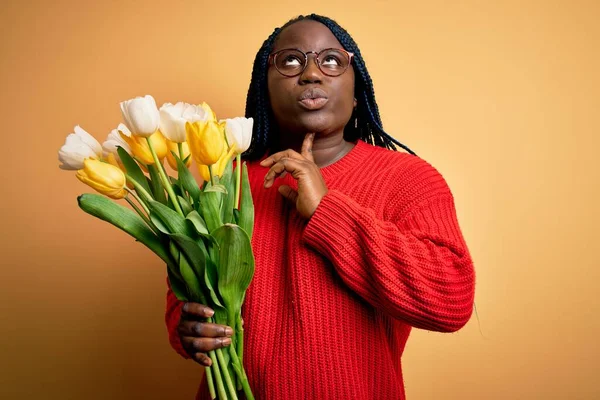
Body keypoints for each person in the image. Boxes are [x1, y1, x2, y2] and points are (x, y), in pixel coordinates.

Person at [165, 14, 475, 400]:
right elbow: (185, 299)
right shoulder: (223, 182)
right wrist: (189, 328)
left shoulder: (408, 178)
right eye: (291, 61)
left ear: (357, 89)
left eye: (331, 60)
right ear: (264, 90)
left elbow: (451, 301)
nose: (311, 73)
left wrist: (327, 210)